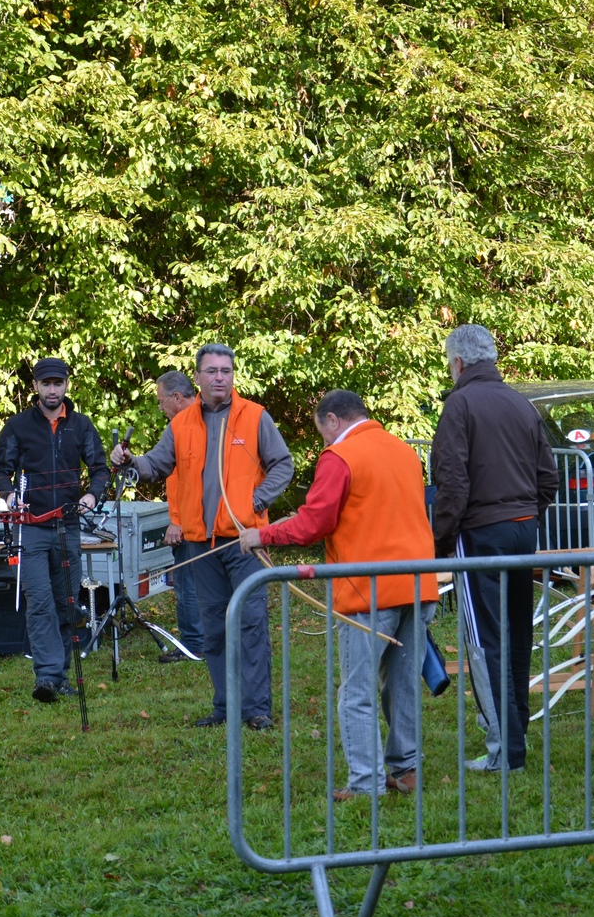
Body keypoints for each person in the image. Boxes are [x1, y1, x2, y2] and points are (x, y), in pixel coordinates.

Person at [241, 390, 438, 800]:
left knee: (356, 692)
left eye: (323, 432)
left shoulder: (340, 456)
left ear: (333, 420)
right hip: (418, 583)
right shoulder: (403, 451)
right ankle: (407, 770)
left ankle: (366, 784)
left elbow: (314, 523)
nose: (325, 441)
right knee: (402, 684)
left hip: (369, 589)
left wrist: (263, 534)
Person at [110, 344, 294, 729]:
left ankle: (256, 709)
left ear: (232, 375)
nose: (219, 378)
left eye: (226, 371)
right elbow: (155, 464)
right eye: (211, 371)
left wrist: (256, 501)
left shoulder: (255, 416)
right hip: (201, 545)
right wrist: (129, 461)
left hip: (245, 542)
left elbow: (283, 464)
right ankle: (225, 706)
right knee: (214, 628)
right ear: (197, 377)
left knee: (251, 623)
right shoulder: (181, 424)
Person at [430, 324, 559, 772]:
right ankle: (514, 739)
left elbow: (452, 482)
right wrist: (526, 513)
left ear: (458, 363)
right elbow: (549, 477)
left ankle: (505, 750)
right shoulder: (520, 403)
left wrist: (441, 541)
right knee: (517, 634)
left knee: (486, 642)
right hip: (523, 529)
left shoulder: (460, 404)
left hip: (482, 533)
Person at [0, 357, 110, 704]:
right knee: (40, 601)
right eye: (46, 384)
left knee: (66, 603)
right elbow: (1, 471)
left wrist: (92, 495)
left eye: (58, 383)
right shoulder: (18, 426)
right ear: (35, 387)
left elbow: (100, 468)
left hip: (68, 527)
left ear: (67, 385)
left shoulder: (81, 425)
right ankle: (47, 676)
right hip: (31, 529)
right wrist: (10, 496)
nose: (53, 389)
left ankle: (60, 677)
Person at [153, 370, 205, 663]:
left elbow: (187, 482)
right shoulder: (207, 419)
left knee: (187, 583)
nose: (161, 408)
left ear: (176, 397)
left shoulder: (186, 426)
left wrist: (177, 520)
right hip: (205, 521)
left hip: (190, 523)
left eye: (161, 402)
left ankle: (194, 645)